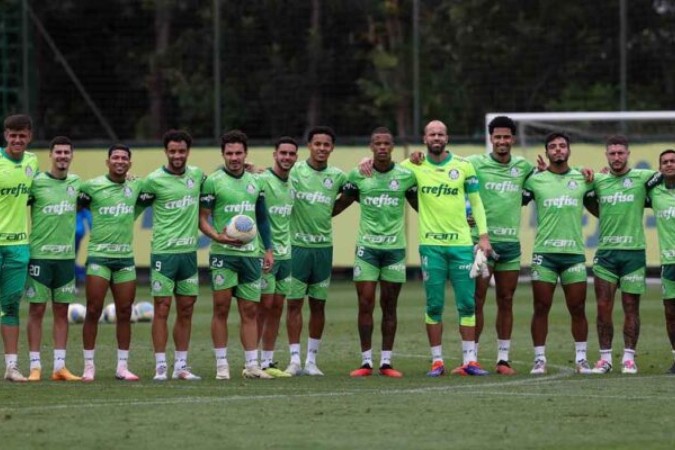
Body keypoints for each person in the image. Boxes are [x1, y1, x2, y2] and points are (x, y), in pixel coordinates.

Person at [402, 120, 492, 377]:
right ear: (424, 138)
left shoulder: (464, 166)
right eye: (432, 134)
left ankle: (470, 361)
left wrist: (483, 237)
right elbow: (387, 173)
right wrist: (366, 161)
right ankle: (437, 362)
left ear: (447, 137)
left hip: (462, 245)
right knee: (434, 305)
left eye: (441, 133)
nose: (437, 137)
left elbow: (476, 203)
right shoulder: (413, 166)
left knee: (467, 304)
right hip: (431, 247)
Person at [333, 127, 417, 377]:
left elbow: (422, 207)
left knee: (390, 306)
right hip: (367, 249)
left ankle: (387, 363)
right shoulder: (359, 175)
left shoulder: (406, 175)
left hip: (394, 250)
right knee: (365, 303)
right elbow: (339, 204)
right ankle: (366, 361)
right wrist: (312, 212)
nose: (382, 147)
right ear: (371, 146)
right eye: (377, 143)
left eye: (386, 143)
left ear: (392, 147)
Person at [199, 129, 274, 380]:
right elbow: (202, 218)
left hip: (251, 255)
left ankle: (252, 365)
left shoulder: (256, 181)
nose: (234, 157)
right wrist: (216, 236)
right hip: (223, 254)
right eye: (229, 153)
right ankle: (222, 365)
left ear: (246, 154)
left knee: (250, 309)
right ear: (223, 154)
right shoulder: (213, 181)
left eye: (238, 153)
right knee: (221, 308)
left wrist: (269, 249)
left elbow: (262, 219)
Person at [467, 116, 537, 375]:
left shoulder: (524, 167)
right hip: (481, 244)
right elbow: (448, 173)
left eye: (506, 137)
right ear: (491, 139)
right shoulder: (475, 163)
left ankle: (503, 359)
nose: (502, 141)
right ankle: (471, 358)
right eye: (497, 137)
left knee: (506, 300)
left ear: (513, 139)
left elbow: (550, 176)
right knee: (477, 300)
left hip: (510, 246)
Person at [584, 135, 657, 375]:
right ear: (606, 155)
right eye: (612, 153)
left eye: (620, 153)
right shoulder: (599, 181)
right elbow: (588, 201)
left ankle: (628, 358)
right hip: (606, 254)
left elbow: (668, 177)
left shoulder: (643, 178)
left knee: (631, 307)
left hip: (634, 254)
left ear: (628, 154)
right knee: (603, 307)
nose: (616, 157)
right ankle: (605, 359)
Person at [523, 132, 594, 375]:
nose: (558, 150)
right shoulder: (536, 180)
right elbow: (515, 199)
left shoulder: (584, 178)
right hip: (545, 253)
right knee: (541, 306)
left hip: (573, 254)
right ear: (547, 151)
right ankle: (539, 358)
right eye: (552, 147)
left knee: (578, 308)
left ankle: (582, 359)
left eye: (562, 146)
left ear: (569, 150)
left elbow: (599, 203)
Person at [137, 130, 204, 381]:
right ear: (166, 152)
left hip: (188, 255)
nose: (177, 155)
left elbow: (218, 185)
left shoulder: (197, 176)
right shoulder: (153, 180)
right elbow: (135, 203)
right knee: (162, 309)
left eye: (182, 151)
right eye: (173, 151)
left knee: (186, 309)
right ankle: (161, 367)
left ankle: (181, 366)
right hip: (164, 254)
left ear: (188, 151)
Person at [284, 126, 347, 376]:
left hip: (323, 249)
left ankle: (311, 361)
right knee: (294, 304)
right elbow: (271, 177)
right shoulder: (295, 170)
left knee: (319, 305)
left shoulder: (338, 176)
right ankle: (294, 360)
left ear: (332, 148)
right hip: (297, 248)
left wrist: (335, 208)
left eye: (326, 144)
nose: (321, 148)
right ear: (309, 146)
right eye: (317, 144)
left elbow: (355, 190)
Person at [79, 143, 143, 381]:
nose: (119, 161)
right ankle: (88, 367)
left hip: (125, 258)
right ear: (107, 162)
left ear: (129, 163)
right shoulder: (91, 186)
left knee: (125, 311)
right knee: (93, 310)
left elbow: (153, 195)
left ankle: (122, 367)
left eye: (124, 158)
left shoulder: (137, 185)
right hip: (99, 256)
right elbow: (71, 201)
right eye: (115, 157)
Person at [25, 136, 81, 382]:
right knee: (36, 309)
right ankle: (35, 366)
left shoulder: (77, 183)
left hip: (66, 259)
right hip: (40, 257)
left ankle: (60, 367)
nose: (62, 156)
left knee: (62, 310)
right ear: (51, 155)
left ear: (72, 156)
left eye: (66, 153)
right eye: (58, 152)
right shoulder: (35, 183)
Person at [0, 114, 39, 382]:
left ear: (29, 137)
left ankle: (12, 367)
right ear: (5, 136)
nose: (17, 140)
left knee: (10, 306)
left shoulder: (32, 162)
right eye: (12, 135)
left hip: (18, 247)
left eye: (21, 135)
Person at [255, 137, 298, 377]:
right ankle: (251, 361)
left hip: (287, 255)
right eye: (283, 153)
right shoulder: (261, 179)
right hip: (265, 254)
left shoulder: (293, 183)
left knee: (277, 308)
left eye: (291, 154)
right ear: (275, 155)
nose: (287, 157)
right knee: (263, 307)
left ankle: (268, 362)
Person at [647, 149, 675, 374]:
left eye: (673, 161)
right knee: (670, 312)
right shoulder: (655, 193)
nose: (669, 164)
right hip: (669, 262)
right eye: (664, 162)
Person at [74, 207, 92, 284]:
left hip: (77, 236)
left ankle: (76, 278)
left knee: (72, 257)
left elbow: (91, 223)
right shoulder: (70, 208)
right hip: (69, 236)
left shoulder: (84, 212)